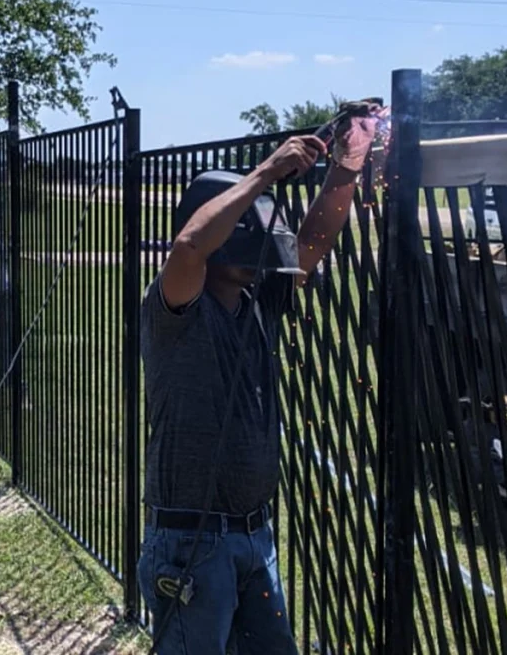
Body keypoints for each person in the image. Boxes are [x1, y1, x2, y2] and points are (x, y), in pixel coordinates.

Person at [138, 101, 388, 654]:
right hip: (190, 543)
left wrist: (346, 166)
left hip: (255, 536)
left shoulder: (260, 301)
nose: (265, 240)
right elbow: (188, 246)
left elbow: (314, 243)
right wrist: (264, 172)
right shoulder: (175, 309)